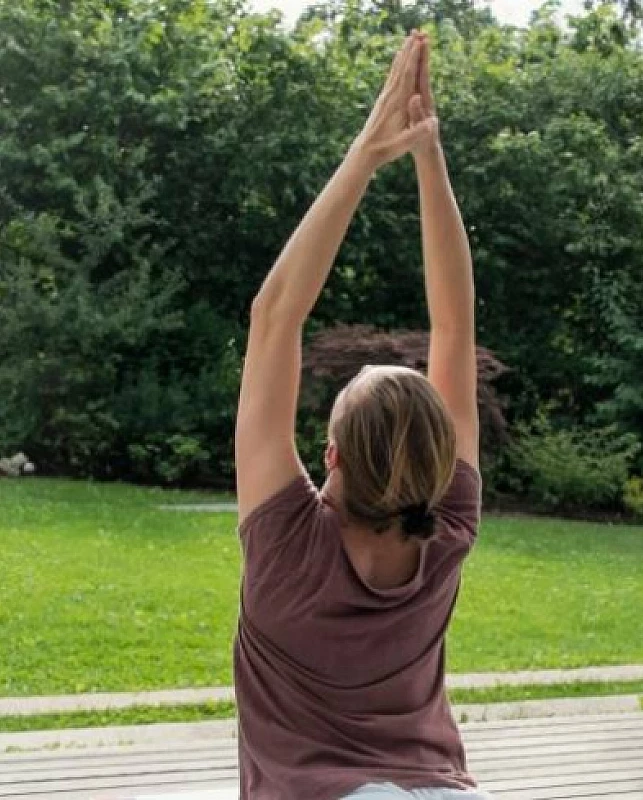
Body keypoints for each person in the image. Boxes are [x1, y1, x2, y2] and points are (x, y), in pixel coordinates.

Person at [233, 31, 490, 800]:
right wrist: (428, 154)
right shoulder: (446, 534)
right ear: (441, 465)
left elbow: (275, 316)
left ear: (332, 456)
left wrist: (368, 152)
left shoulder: (286, 548)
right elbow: (456, 326)